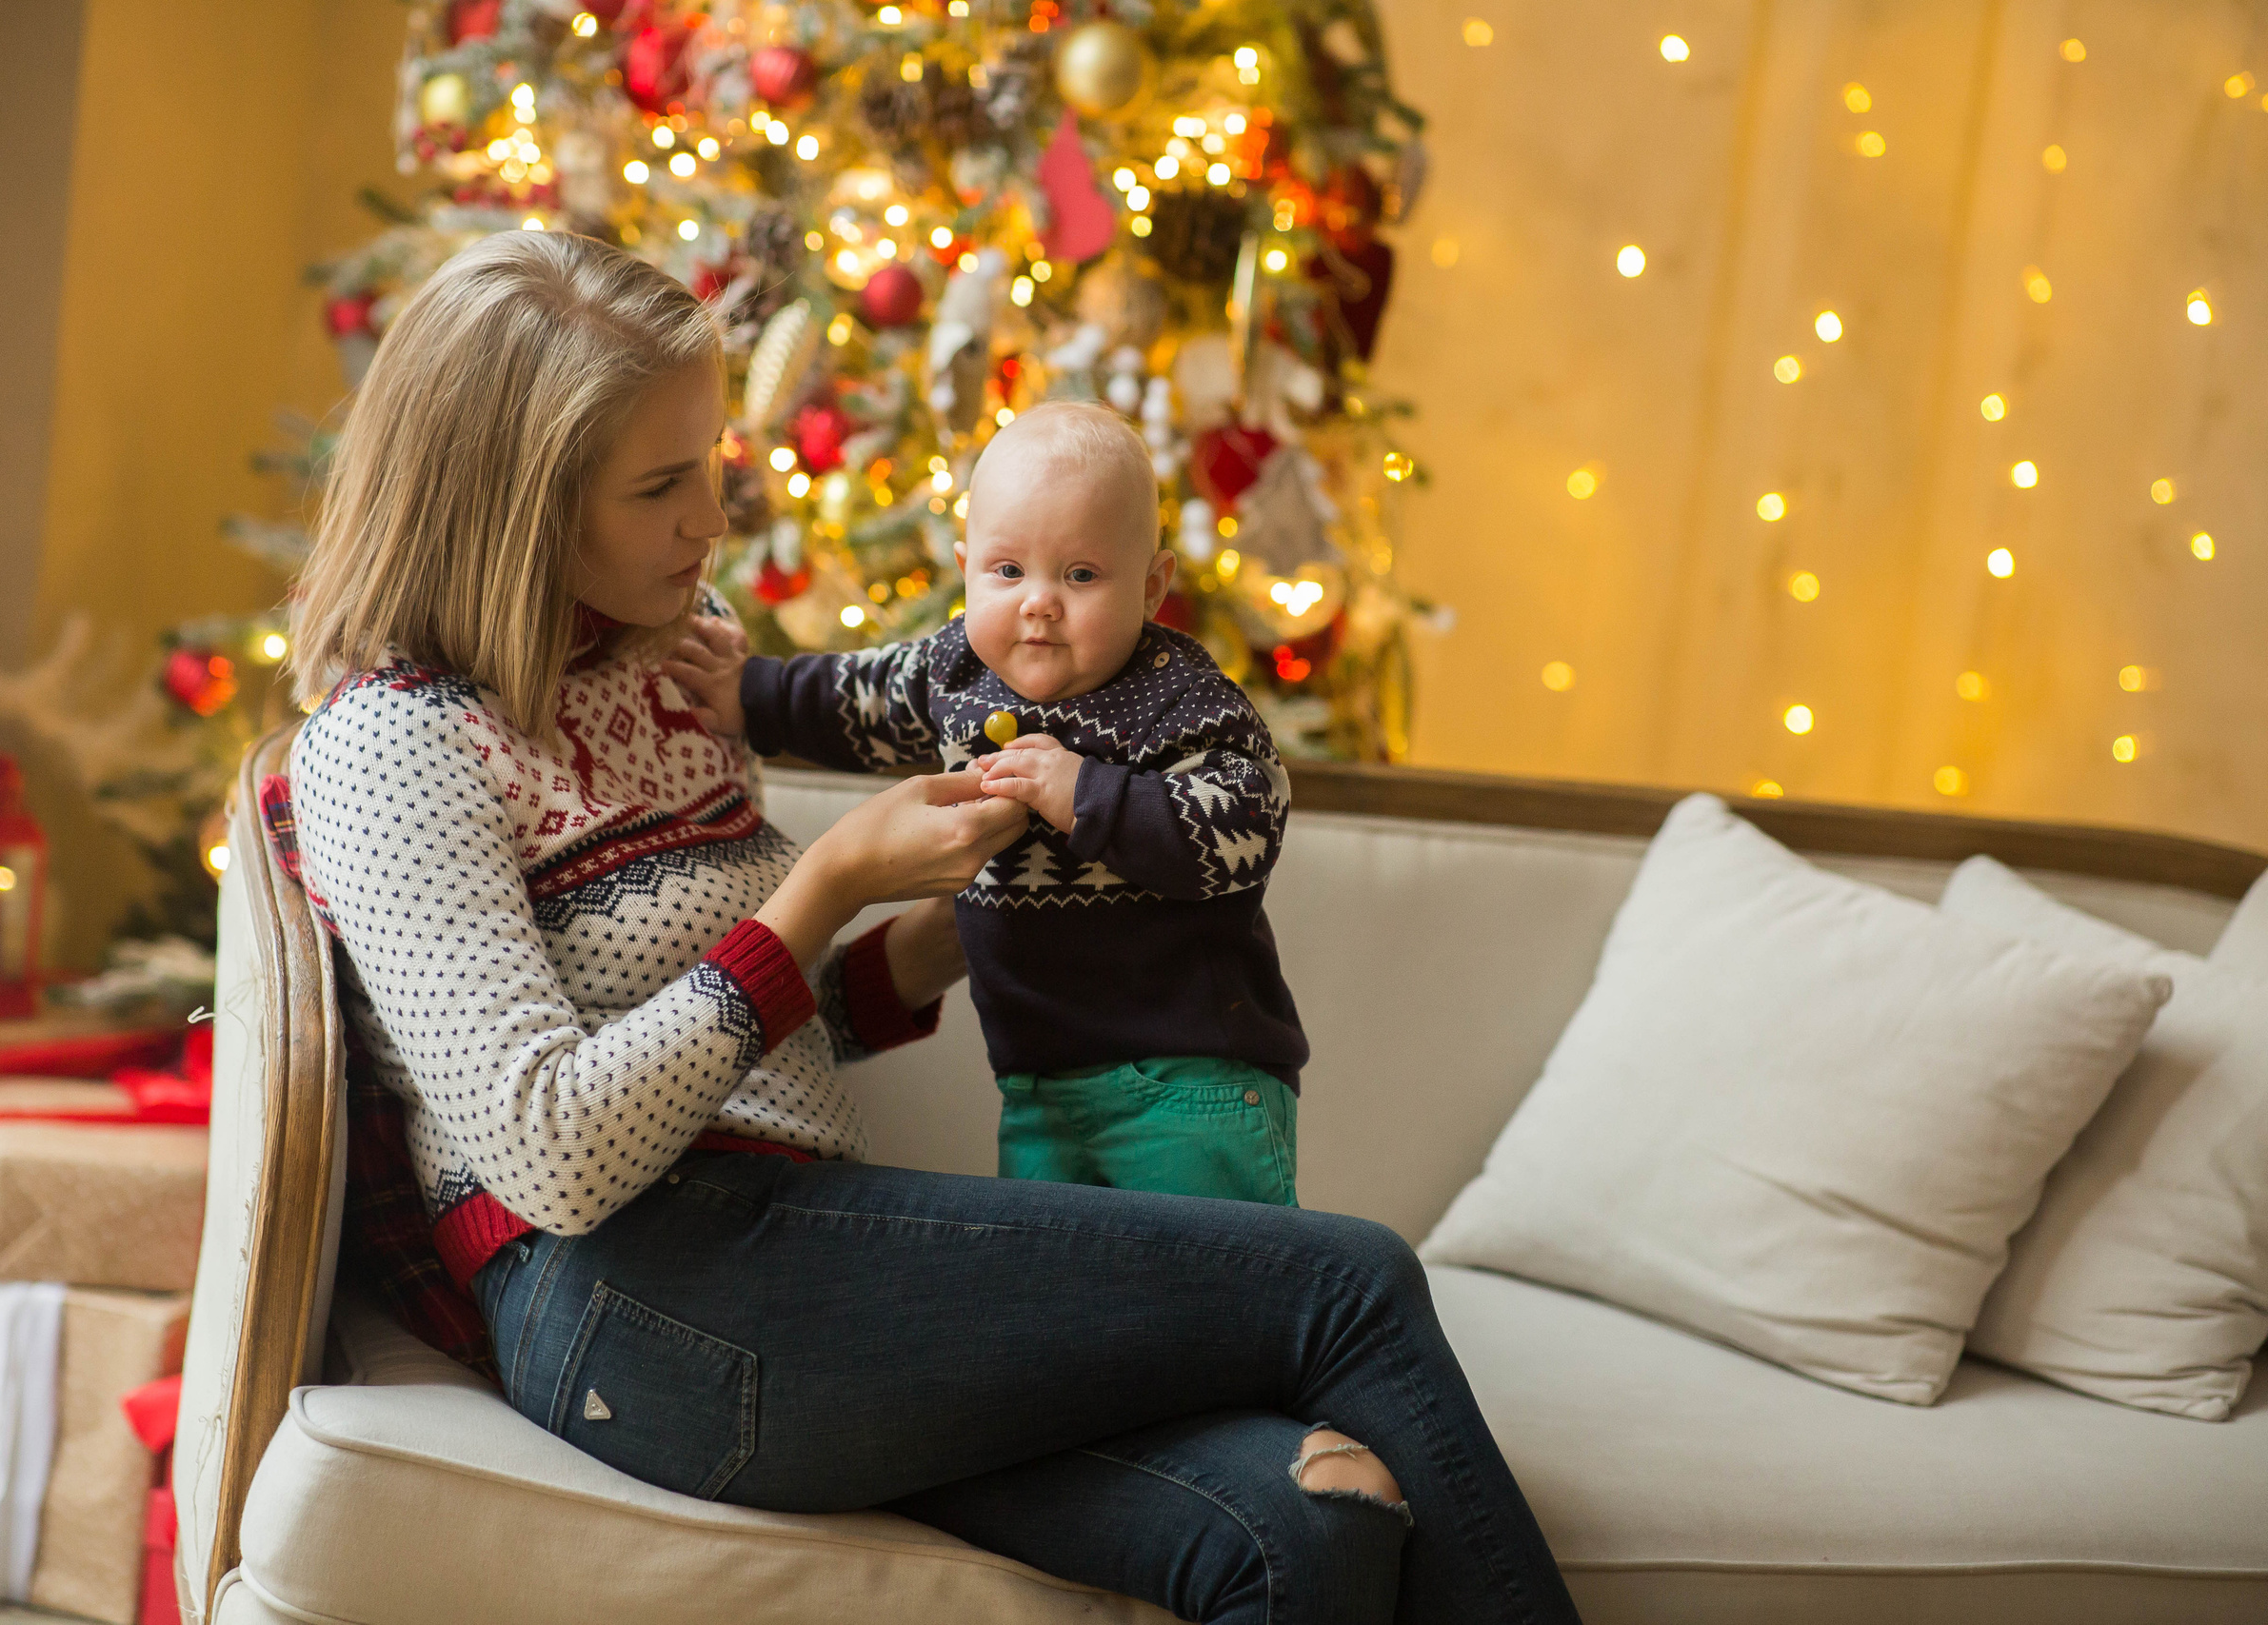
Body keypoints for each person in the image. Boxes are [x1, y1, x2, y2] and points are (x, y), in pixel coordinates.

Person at [285, 228, 1580, 1625]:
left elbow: (748, 1031)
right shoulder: (390, 746)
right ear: (517, 508)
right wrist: (834, 877)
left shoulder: (669, 659)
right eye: (661, 484)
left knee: (1301, 1530)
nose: (710, 519)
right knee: (1349, 1284)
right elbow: (557, 1151)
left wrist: (991, 909)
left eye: (710, 459)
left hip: (794, 1255)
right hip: (634, 1291)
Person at [669, 401, 1305, 1207]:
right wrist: (750, 696)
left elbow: (1248, 824)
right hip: (1039, 1085)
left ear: (1151, 587)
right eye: (1008, 571)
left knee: (1222, 1297)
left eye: (1081, 575)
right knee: (1052, 1310)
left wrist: (1087, 793)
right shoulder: (956, 673)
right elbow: (856, 698)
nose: (1039, 601)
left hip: (1188, 1078)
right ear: (967, 568)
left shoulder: (1177, 697)